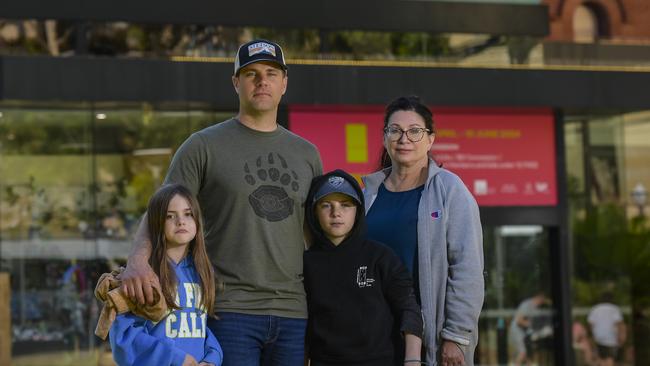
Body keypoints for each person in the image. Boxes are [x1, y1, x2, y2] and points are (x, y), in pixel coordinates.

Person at [119, 39, 323, 366]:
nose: (262, 81)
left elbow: (316, 239)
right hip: (228, 310)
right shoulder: (202, 146)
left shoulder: (307, 154)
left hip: (292, 312)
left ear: (284, 83)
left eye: (271, 73)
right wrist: (138, 263)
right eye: (251, 73)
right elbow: (159, 211)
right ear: (235, 83)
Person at [362, 96, 484, 366]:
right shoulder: (366, 195)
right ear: (384, 138)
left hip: (430, 338)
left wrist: (455, 337)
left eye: (415, 131)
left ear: (430, 140)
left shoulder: (450, 191)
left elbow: (467, 269)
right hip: (372, 335)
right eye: (395, 130)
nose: (404, 138)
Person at [303, 170, 424, 366]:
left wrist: (412, 359)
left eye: (345, 205)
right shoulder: (305, 264)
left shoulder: (381, 257)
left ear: (358, 210)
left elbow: (409, 309)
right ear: (314, 211)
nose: (336, 213)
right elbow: (303, 327)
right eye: (326, 205)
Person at [109, 184, 222, 366]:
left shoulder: (202, 272)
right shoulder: (143, 275)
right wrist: (176, 359)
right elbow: (124, 336)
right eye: (170, 216)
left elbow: (198, 326)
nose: (181, 221)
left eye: (188, 214)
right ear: (156, 223)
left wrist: (212, 358)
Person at [508, 292, 550, 366]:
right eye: (542, 303)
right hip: (517, 331)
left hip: (522, 332)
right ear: (539, 299)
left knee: (526, 353)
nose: (541, 306)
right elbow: (519, 320)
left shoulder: (533, 307)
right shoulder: (527, 305)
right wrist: (531, 325)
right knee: (522, 352)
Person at [587, 292, 626, 366]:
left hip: (598, 337)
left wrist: (591, 336)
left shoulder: (595, 309)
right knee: (610, 358)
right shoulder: (614, 309)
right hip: (611, 338)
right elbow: (620, 324)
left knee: (601, 357)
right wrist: (622, 336)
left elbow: (591, 324)